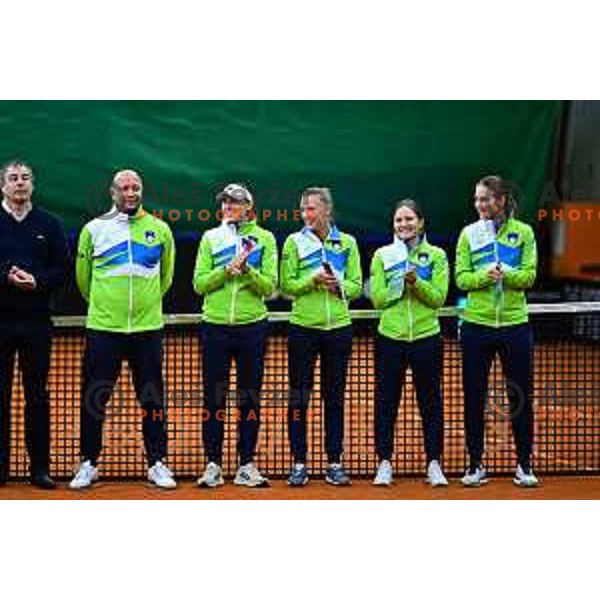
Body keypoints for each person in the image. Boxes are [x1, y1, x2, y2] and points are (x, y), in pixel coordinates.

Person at [70, 169, 176, 489]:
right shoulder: (94, 230)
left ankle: (157, 462)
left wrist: (145, 308)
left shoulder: (160, 229)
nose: (130, 192)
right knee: (94, 398)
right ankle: (88, 462)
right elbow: (83, 280)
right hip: (104, 329)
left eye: (136, 187)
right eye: (124, 188)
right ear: (112, 192)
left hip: (147, 330)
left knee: (152, 399)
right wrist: (105, 309)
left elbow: (166, 278)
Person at [456, 175, 539, 487]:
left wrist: (508, 273)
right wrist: (483, 277)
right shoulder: (468, 234)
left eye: (486, 199)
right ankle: (475, 463)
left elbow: (530, 276)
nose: (480, 205)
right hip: (476, 327)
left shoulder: (524, 233)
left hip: (515, 327)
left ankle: (524, 465)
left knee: (519, 396)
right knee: (473, 397)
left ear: (501, 200)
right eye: (477, 199)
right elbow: (461, 278)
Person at [193, 183, 277, 488]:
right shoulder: (210, 238)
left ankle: (246, 464)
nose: (228, 206)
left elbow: (270, 287)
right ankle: (213, 464)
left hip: (252, 327)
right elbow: (199, 284)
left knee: (249, 399)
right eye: (225, 202)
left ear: (248, 207)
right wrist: (225, 271)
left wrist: (248, 272)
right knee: (214, 398)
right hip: (215, 326)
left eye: (235, 202)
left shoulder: (264, 239)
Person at [280, 187, 362, 486]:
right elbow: (287, 285)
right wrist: (311, 280)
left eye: (312, 209)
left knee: (335, 398)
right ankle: (299, 462)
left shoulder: (348, 243)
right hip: (303, 329)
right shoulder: (293, 242)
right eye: (303, 209)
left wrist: (337, 285)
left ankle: (334, 461)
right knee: (300, 398)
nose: (306, 215)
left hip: (338, 330)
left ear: (327, 210)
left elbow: (356, 286)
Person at [369, 199, 449, 486]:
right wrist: (398, 284)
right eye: (399, 220)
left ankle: (434, 463)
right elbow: (377, 299)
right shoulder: (382, 255)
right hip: (390, 339)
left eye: (409, 219)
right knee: (386, 403)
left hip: (427, 339)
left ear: (421, 222)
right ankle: (384, 462)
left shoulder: (437, 255)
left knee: (431, 402)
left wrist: (417, 282)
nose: (404, 225)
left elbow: (439, 298)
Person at [0, 160, 68, 489]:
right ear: (3, 186)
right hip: (0, 322)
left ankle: (39, 468)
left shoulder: (50, 224)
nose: (20, 183)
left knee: (37, 397)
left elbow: (61, 270)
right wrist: (6, 277)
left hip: (37, 324)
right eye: (13, 178)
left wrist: (36, 281)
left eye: (25, 178)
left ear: (33, 185)